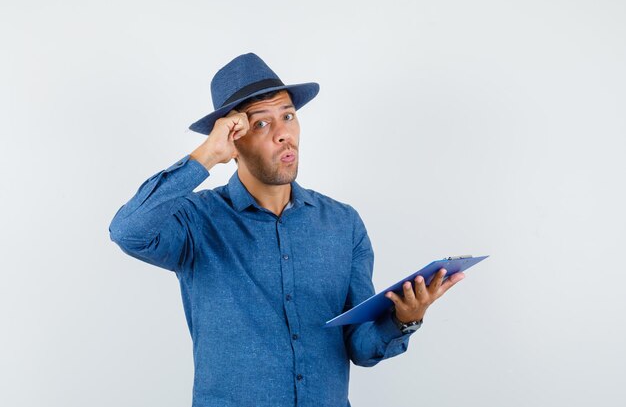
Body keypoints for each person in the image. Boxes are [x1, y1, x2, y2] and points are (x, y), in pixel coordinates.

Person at [108, 53, 465, 407]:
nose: (284, 135)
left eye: (288, 117)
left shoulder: (343, 223)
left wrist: (404, 318)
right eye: (261, 124)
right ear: (232, 140)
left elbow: (361, 347)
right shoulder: (196, 221)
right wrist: (205, 156)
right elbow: (128, 231)